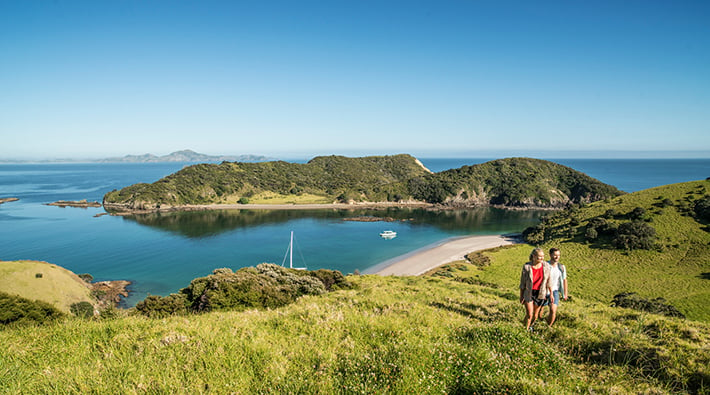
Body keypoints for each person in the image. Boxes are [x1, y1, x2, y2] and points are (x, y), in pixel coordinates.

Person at [519, 248, 552, 331]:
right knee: (529, 314)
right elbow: (522, 283)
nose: (541, 258)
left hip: (540, 293)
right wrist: (521, 296)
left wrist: (551, 293)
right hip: (529, 292)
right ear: (533, 256)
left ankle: (528, 326)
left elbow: (549, 281)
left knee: (535, 316)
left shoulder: (546, 266)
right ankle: (524, 330)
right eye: (539, 257)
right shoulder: (527, 267)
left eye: (542, 256)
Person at [541, 247, 566, 326]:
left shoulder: (561, 267)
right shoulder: (545, 265)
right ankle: (538, 322)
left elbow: (564, 280)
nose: (557, 257)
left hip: (555, 291)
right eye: (555, 255)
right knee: (540, 310)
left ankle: (548, 326)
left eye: (558, 255)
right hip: (544, 291)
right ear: (550, 255)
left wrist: (565, 293)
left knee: (553, 310)